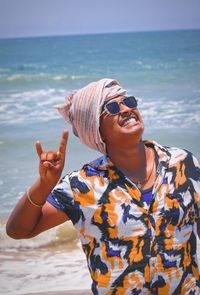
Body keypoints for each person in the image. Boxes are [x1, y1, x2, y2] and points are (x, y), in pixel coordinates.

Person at [6, 78, 200, 294]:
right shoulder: (82, 186)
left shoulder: (183, 164)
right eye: (113, 107)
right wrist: (44, 185)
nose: (127, 109)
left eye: (129, 101)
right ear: (97, 130)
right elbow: (18, 230)